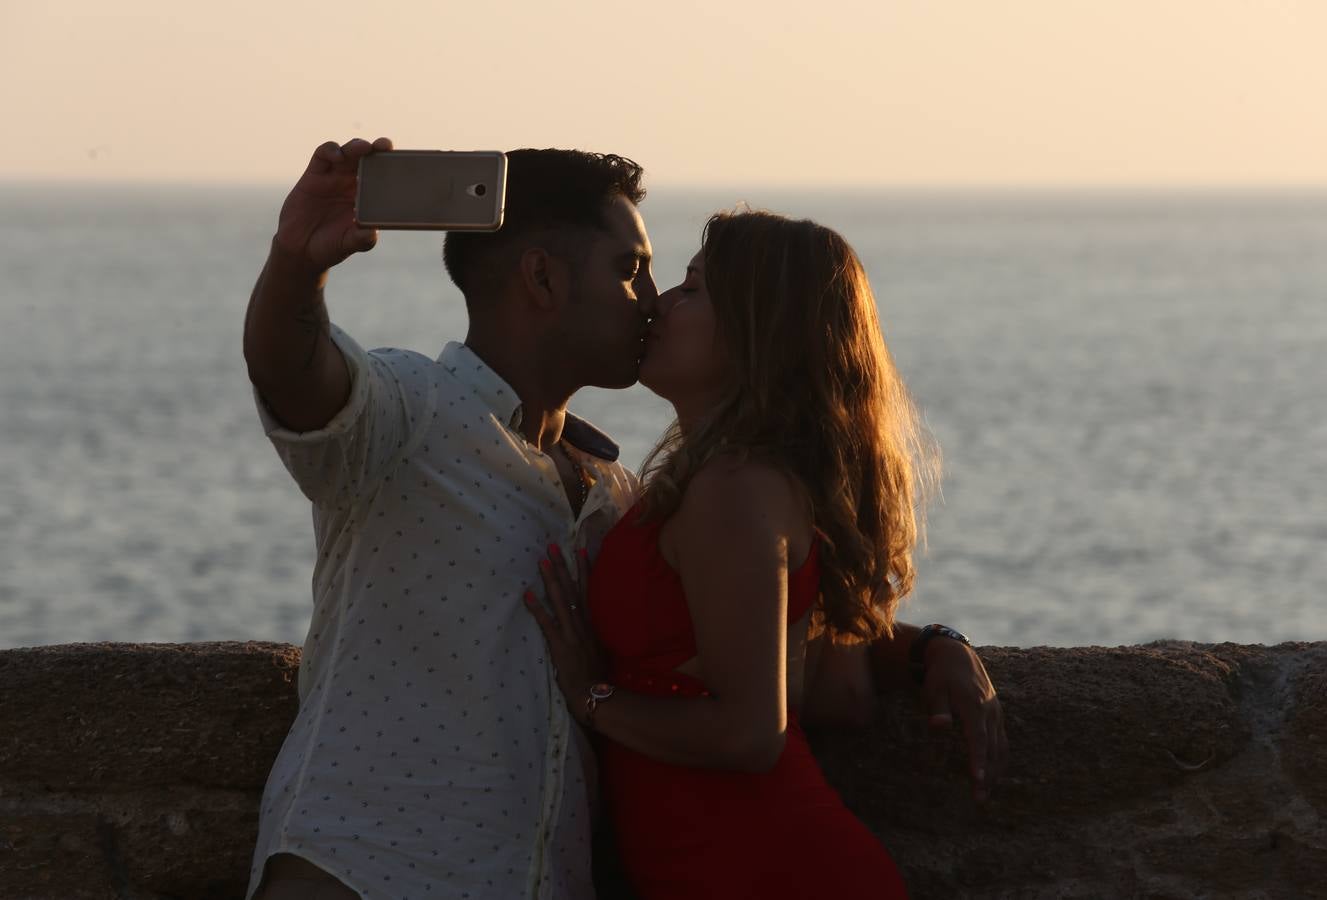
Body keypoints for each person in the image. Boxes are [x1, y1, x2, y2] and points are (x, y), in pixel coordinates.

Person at [246, 136, 1003, 900]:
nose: (652, 299)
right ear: (541, 278)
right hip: (364, 872)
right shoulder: (408, 413)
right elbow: (295, 372)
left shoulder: (619, 495)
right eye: (631, 270)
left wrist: (926, 649)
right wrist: (295, 263)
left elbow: (758, 621)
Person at [525, 210, 1003, 899]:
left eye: (692, 290)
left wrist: (591, 697)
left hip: (760, 868)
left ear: (757, 332)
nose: (659, 303)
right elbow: (835, 680)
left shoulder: (733, 488)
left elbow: (752, 734)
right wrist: (930, 647)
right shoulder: (738, 479)